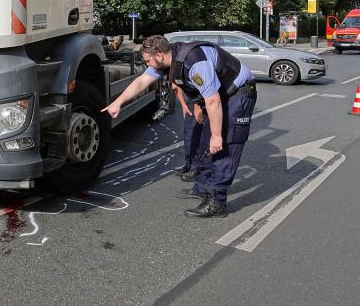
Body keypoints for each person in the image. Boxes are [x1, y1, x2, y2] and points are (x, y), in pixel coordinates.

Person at [103, 35, 257, 218]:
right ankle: (202, 190)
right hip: (218, 95)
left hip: (237, 94)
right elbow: (141, 82)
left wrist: (217, 135)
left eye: (148, 61)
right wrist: (117, 103)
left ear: (159, 55)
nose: (147, 65)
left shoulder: (194, 63)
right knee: (205, 146)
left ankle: (217, 202)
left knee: (224, 147)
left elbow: (214, 100)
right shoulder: (171, 58)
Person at [172, 84, 203, 182]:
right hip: (191, 97)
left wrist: (198, 105)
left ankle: (197, 168)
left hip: (203, 96)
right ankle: (189, 164)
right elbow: (176, 86)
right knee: (189, 132)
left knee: (198, 134)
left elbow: (202, 86)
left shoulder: (194, 69)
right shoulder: (173, 70)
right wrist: (183, 105)